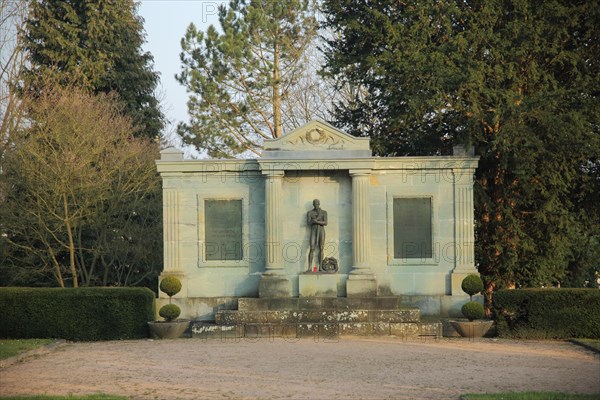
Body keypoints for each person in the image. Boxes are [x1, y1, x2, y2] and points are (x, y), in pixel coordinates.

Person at [307, 199, 327, 272]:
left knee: (321, 248)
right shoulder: (310, 213)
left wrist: (317, 221)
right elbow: (308, 222)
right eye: (315, 204)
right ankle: (309, 267)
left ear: (319, 204)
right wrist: (313, 221)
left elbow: (325, 222)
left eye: (317, 204)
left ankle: (320, 267)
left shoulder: (324, 212)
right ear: (313, 204)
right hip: (314, 230)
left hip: (321, 230)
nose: (316, 205)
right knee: (312, 248)